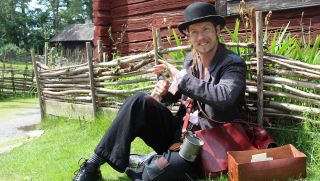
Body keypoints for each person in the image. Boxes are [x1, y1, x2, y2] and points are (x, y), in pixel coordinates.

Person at [73, 2, 247, 181]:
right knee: (138, 101)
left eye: (206, 29)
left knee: (153, 174)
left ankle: (144, 162)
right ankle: (92, 166)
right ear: (188, 35)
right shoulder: (191, 60)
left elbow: (224, 97)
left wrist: (180, 78)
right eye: (194, 31)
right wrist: (167, 92)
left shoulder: (232, 64)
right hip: (181, 133)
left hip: (211, 142)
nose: (200, 37)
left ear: (217, 30)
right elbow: (188, 94)